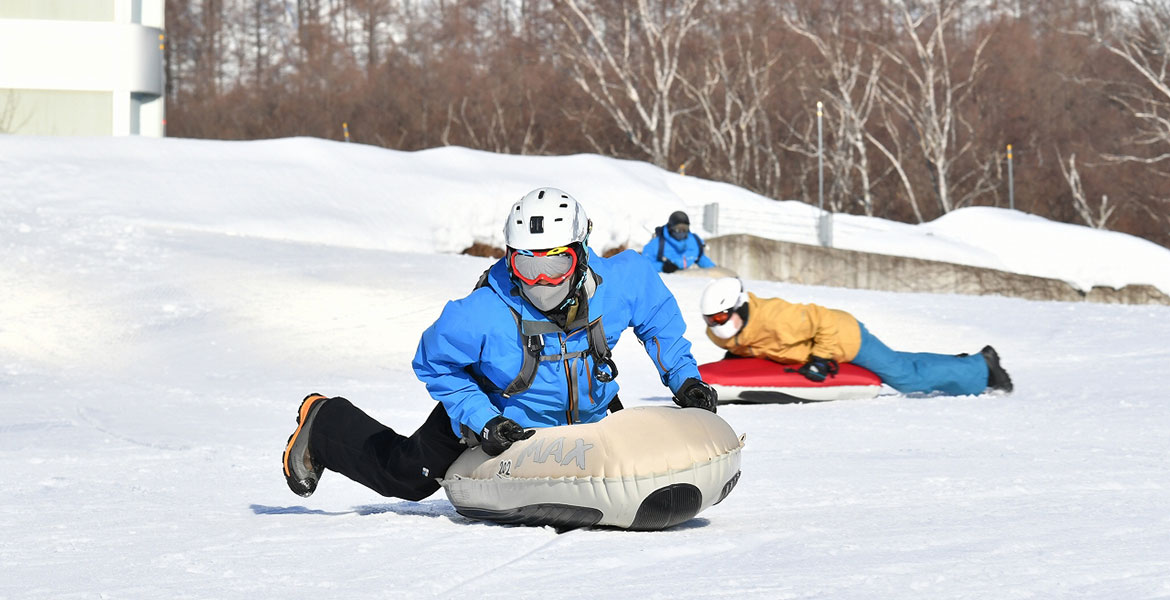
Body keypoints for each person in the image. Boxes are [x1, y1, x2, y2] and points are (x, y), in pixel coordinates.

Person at [283, 187, 718, 500]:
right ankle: (326, 423)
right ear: (510, 259)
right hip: (497, 417)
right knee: (407, 478)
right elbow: (433, 363)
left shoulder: (626, 280)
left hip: (586, 416)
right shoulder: (479, 312)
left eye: (556, 264)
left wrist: (685, 381)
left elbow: (660, 325)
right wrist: (482, 418)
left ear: (581, 252)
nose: (541, 281)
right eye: (526, 266)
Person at [698, 277, 1013, 396]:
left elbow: (823, 322)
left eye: (722, 316)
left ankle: (984, 370)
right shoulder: (722, 333)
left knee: (905, 378)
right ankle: (959, 364)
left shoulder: (777, 317)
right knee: (902, 361)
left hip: (845, 338)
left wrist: (821, 358)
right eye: (711, 320)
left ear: (739, 307)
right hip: (827, 342)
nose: (717, 323)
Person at [641, 210, 717, 273]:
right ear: (671, 228)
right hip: (666, 282)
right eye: (678, 229)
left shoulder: (694, 241)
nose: (681, 232)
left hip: (688, 284)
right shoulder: (656, 245)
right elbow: (643, 266)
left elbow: (700, 258)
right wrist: (662, 267)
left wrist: (715, 269)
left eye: (684, 229)